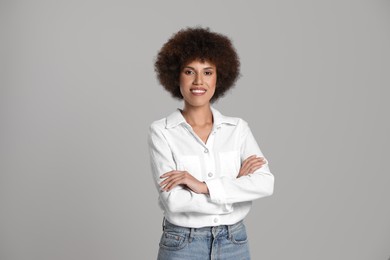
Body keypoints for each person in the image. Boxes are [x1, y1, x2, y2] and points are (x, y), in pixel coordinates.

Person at [147, 27, 274, 260]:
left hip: (234, 242)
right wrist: (233, 190)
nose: (198, 81)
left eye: (207, 72)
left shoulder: (237, 129)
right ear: (176, 76)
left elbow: (265, 183)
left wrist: (203, 186)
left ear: (219, 77)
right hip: (183, 244)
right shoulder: (162, 132)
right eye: (189, 71)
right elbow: (175, 202)